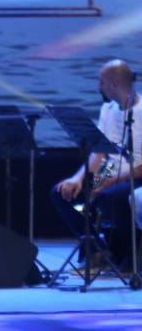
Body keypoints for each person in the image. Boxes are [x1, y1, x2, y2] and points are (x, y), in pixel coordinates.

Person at [50, 59, 142, 269]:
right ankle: (97, 250)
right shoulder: (108, 109)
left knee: (111, 196)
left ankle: (129, 255)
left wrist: (111, 181)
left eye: (101, 82)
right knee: (61, 193)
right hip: (109, 170)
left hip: (134, 175)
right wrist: (77, 179)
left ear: (114, 84)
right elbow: (99, 153)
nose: (98, 87)